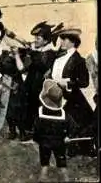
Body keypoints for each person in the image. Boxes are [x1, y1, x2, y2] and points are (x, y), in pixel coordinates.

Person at [48, 28, 93, 156]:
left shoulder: (79, 60)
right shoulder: (58, 57)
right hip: (57, 95)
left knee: (72, 124)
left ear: (73, 42)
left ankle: (74, 149)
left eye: (64, 39)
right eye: (61, 39)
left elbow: (84, 82)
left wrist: (68, 83)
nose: (61, 41)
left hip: (72, 97)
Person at [21, 21, 60, 141]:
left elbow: (41, 64)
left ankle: (35, 133)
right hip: (32, 85)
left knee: (37, 109)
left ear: (46, 41)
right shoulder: (39, 52)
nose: (35, 40)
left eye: (38, 38)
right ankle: (28, 131)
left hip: (39, 87)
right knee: (30, 108)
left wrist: (31, 51)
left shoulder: (49, 53)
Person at [33, 80, 76, 182]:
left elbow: (36, 128)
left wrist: (37, 139)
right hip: (59, 143)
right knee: (62, 163)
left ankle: (43, 177)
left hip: (44, 143)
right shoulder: (65, 115)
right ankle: (65, 179)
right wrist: (68, 136)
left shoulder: (40, 113)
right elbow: (73, 126)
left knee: (44, 163)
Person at [0, 48, 27, 140]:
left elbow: (22, 69)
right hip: (8, 85)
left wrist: (17, 55)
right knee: (10, 110)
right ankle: (14, 132)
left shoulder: (22, 58)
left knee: (16, 110)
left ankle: (20, 132)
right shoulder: (5, 58)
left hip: (16, 86)